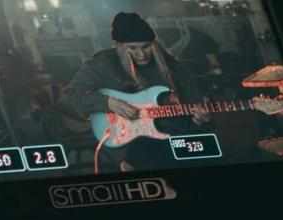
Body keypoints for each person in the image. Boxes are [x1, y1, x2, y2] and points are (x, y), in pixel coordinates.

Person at [61, 12, 210, 173]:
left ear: (154, 44)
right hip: (127, 144)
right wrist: (108, 103)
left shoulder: (173, 67)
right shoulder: (103, 64)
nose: (141, 54)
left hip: (176, 138)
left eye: (146, 46)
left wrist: (200, 118)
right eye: (132, 48)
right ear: (119, 46)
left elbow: (194, 104)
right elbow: (70, 96)